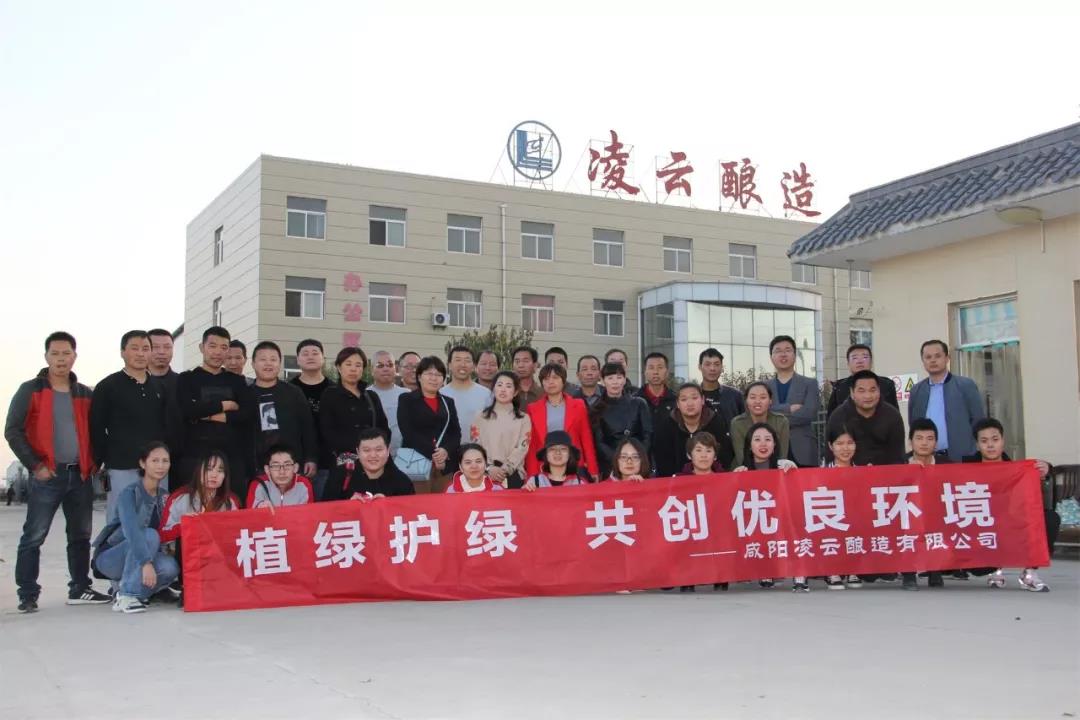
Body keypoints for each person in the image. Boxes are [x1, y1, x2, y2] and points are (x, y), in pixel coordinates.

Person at [7, 331, 110, 613]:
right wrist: (35, 465)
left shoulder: (85, 394)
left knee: (80, 536)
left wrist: (95, 463)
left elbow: (100, 431)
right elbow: (13, 431)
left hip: (80, 476)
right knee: (34, 536)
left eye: (66, 354)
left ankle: (80, 588)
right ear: (46, 357)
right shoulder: (31, 390)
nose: (61, 359)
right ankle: (28, 594)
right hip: (47, 475)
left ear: (75, 356)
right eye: (55, 354)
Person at [963, 418, 1054, 592]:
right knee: (977, 568)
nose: (990, 445)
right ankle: (994, 569)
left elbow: (1037, 481)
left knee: (1050, 518)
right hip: (980, 524)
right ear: (977, 445)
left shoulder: (1017, 469)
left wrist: (1047, 470)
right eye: (984, 441)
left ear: (1003, 441)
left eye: (995, 439)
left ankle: (1029, 572)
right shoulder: (964, 468)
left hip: (1012, 522)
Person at [91, 442, 179, 613]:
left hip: (144, 555)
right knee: (149, 535)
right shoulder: (129, 493)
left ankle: (132, 594)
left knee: (170, 568)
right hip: (111, 557)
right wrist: (146, 563)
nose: (160, 466)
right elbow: (131, 531)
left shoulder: (165, 497)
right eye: (155, 461)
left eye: (165, 461)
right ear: (142, 463)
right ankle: (127, 595)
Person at [90, 330, 168, 520]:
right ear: (122, 352)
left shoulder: (160, 387)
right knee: (121, 520)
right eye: (135, 348)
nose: (141, 353)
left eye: (145, 349)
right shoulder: (107, 386)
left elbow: (166, 425)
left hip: (156, 467)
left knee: (156, 519)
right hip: (121, 466)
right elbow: (96, 427)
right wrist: (103, 459)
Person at [174, 326, 253, 502]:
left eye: (223, 347)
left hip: (231, 457)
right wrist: (226, 405)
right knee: (194, 506)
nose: (218, 352)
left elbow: (247, 414)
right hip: (195, 455)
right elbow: (187, 410)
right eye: (212, 346)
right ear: (202, 348)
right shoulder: (186, 379)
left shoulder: (237, 381)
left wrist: (208, 415)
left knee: (233, 507)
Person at [159, 452, 240, 606]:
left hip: (218, 560)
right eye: (209, 469)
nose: (214, 475)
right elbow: (162, 535)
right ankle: (186, 587)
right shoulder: (180, 497)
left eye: (220, 470)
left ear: (225, 476)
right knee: (187, 534)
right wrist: (185, 525)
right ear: (198, 470)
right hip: (185, 560)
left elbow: (238, 536)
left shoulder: (230, 501)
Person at [732, 423, 801, 591]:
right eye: (757, 439)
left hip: (780, 521)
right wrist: (734, 480)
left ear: (775, 444)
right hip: (754, 525)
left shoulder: (784, 467)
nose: (763, 444)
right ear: (749, 446)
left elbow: (798, 496)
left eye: (768, 439)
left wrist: (794, 471)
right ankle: (762, 567)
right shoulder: (742, 471)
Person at [319, 347, 389, 486]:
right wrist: (360, 451)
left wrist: (376, 451)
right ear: (339, 367)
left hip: (375, 461)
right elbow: (327, 431)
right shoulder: (330, 395)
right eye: (348, 364)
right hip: (345, 461)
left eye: (358, 365)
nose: (353, 369)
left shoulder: (371, 396)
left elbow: (384, 428)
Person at [248, 341, 318, 480]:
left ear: (279, 363)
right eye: (263, 359)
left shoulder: (293, 392)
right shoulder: (245, 394)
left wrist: (311, 458)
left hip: (291, 465)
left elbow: (307, 427)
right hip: (255, 468)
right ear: (253, 363)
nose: (268, 364)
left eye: (273, 359)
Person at [908, 340, 986, 462]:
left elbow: (978, 420)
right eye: (928, 357)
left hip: (962, 457)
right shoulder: (917, 391)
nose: (933, 360)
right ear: (923, 361)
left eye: (937, 356)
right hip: (928, 459)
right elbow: (913, 423)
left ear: (947, 358)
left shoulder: (965, 385)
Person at [397, 356, 461, 493]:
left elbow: (456, 432)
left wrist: (446, 451)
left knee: (444, 503)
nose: (434, 378)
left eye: (438, 375)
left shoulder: (448, 402)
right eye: (429, 374)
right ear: (419, 376)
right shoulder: (406, 399)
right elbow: (408, 432)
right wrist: (434, 454)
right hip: (417, 464)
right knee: (418, 503)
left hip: (445, 466)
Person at [525, 364, 599, 480]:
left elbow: (586, 439)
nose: (550, 382)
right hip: (544, 467)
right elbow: (532, 446)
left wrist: (593, 469)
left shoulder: (578, 405)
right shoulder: (533, 409)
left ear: (563, 381)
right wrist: (532, 476)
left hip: (574, 465)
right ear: (542, 383)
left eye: (555, 378)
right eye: (546, 379)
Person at [906, 418, 951, 589]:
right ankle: (908, 572)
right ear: (910, 442)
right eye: (919, 438)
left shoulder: (948, 465)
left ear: (936, 443)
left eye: (929, 439)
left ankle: (935, 570)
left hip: (938, 514)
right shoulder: (899, 464)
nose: (924, 443)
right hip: (908, 514)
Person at [826, 370, 906, 467]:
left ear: (879, 391)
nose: (868, 396)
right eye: (861, 391)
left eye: (872, 390)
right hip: (848, 472)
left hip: (885, 472)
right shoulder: (838, 416)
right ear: (852, 393)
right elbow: (831, 456)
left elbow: (898, 456)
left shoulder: (892, 416)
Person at [653, 383, 734, 477]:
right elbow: (662, 460)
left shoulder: (716, 422)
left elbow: (724, 456)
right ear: (678, 404)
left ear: (702, 400)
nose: (690, 403)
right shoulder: (666, 425)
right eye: (684, 399)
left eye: (694, 398)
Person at [766, 335, 821, 467]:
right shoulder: (763, 387)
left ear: (795, 355)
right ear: (771, 357)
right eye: (778, 351)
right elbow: (761, 413)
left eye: (788, 350)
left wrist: (773, 415)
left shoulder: (810, 383)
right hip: (771, 450)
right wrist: (788, 409)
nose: (783, 354)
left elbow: (808, 413)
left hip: (803, 449)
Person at [470, 371, 531, 489]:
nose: (503, 390)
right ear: (493, 389)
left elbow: (522, 447)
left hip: (513, 474)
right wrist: (488, 467)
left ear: (515, 392)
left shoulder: (523, 418)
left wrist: (505, 469)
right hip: (484, 474)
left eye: (508, 386)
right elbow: (475, 445)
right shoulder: (480, 416)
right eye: (499, 385)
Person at [591, 363, 652, 479]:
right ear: (602, 381)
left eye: (619, 378)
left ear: (624, 380)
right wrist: (619, 460)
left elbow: (647, 435)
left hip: (639, 463)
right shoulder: (596, 408)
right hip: (611, 466)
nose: (615, 382)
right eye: (610, 378)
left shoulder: (639, 403)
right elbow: (599, 442)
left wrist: (638, 458)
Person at [290, 339, 333, 500]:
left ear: (323, 358)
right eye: (305, 354)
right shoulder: (289, 390)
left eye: (315, 353)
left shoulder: (334, 389)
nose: (310, 357)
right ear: (298, 359)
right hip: (295, 462)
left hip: (328, 462)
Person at [323, 427, 415, 501]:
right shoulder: (341, 476)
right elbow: (324, 510)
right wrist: (349, 506)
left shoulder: (402, 482)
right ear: (358, 452)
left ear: (388, 451)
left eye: (378, 449)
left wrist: (389, 505)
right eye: (366, 450)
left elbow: (411, 513)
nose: (373, 455)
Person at [821, 425, 862, 590]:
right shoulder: (821, 472)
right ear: (831, 446)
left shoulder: (864, 472)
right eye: (839, 443)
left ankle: (853, 569)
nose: (845, 448)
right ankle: (832, 570)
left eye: (850, 443)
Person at [825, 344, 898, 417]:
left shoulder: (886, 384)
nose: (860, 361)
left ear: (871, 362)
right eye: (855, 358)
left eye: (865, 357)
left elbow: (894, 415)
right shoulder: (839, 387)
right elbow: (831, 418)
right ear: (848, 364)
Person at [729, 382, 790, 468]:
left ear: (770, 400)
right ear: (746, 400)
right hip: (744, 469)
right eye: (752, 397)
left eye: (763, 397)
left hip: (775, 468)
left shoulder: (781, 421)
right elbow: (741, 457)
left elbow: (782, 456)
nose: (757, 402)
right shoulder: (737, 423)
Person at [440, 346, 493, 446]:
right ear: (449, 365)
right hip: (446, 452)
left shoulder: (486, 394)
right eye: (458, 360)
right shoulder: (440, 394)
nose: (463, 364)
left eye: (467, 361)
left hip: (478, 452)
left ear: (473, 366)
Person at [246, 444, 315, 508]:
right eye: (275, 466)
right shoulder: (258, 484)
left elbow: (308, 514)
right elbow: (251, 514)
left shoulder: (304, 485)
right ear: (267, 469)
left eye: (287, 465)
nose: (282, 472)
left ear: (295, 468)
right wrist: (260, 508)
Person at [370, 350, 410, 455]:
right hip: (374, 455)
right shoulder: (366, 395)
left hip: (403, 456)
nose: (385, 369)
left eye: (390, 365)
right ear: (371, 370)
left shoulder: (406, 394)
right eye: (380, 365)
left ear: (395, 369)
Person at [523, 430, 592, 490]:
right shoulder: (534, 482)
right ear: (546, 455)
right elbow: (521, 499)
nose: (558, 452)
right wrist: (524, 491)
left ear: (569, 454)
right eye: (552, 449)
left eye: (563, 449)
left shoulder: (580, 483)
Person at [697, 348, 745, 425]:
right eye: (707, 364)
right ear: (699, 367)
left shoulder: (735, 396)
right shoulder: (693, 396)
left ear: (722, 367)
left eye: (716, 364)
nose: (712, 368)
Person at [635, 352, 677, 438]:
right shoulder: (635, 400)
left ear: (667, 372)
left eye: (660, 368)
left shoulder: (676, 400)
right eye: (651, 368)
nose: (655, 372)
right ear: (645, 372)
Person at [147, 328, 180, 395]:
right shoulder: (131, 383)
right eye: (155, 347)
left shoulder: (183, 383)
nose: (161, 352)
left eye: (167, 347)